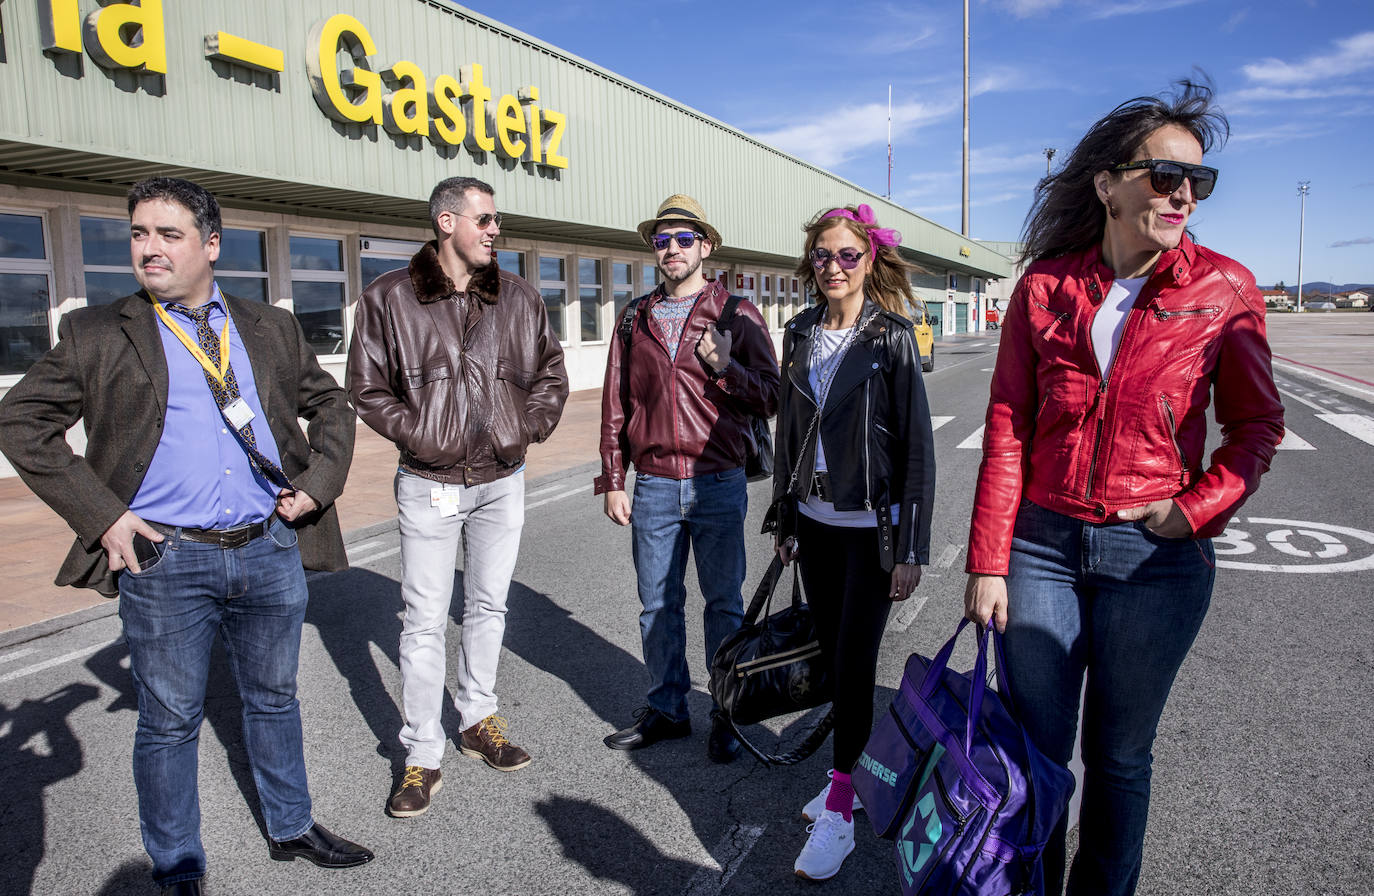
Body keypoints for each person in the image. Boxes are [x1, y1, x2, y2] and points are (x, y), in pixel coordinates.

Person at [0, 177, 371, 895]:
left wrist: (317, 484)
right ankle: (175, 862)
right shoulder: (97, 332)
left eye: (168, 234)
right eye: (138, 233)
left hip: (267, 546)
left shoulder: (269, 326)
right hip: (164, 559)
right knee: (168, 723)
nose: (148, 248)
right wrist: (102, 515)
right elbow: (20, 423)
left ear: (211, 245)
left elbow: (330, 403)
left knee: (274, 698)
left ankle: (291, 825)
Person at [963, 79, 1285, 896]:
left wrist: (1194, 509)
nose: (1183, 194)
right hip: (1040, 544)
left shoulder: (1225, 288)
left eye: (1197, 182)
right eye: (1164, 174)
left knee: (1117, 756)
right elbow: (1008, 423)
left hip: (1155, 556)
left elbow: (1256, 430)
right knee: (1036, 751)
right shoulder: (1046, 287)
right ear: (1108, 183)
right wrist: (988, 561)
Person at [348, 176, 568, 817]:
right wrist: (423, 434)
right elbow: (367, 387)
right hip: (430, 482)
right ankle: (421, 754)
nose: (496, 229)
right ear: (447, 222)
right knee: (421, 622)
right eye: (485, 218)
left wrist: (525, 427)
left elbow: (551, 371)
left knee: (488, 608)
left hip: (503, 479)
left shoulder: (520, 298)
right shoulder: (389, 297)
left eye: (496, 219)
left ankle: (477, 719)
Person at [766, 203, 936, 881]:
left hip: (872, 533)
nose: (833, 267)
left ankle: (839, 812)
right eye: (823, 256)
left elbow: (919, 451)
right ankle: (855, 779)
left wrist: (912, 548)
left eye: (847, 255)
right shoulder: (800, 331)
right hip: (814, 525)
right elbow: (787, 436)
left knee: (858, 667)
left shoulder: (892, 338)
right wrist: (783, 519)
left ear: (870, 261)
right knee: (835, 668)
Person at [596, 194, 779, 762]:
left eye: (682, 240)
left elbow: (772, 396)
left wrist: (726, 368)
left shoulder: (736, 314)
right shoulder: (634, 317)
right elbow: (615, 404)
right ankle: (669, 708)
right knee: (657, 603)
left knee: (723, 602)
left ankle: (728, 711)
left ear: (705, 247)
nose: (671, 250)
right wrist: (613, 478)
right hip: (651, 482)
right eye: (661, 240)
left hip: (716, 480)